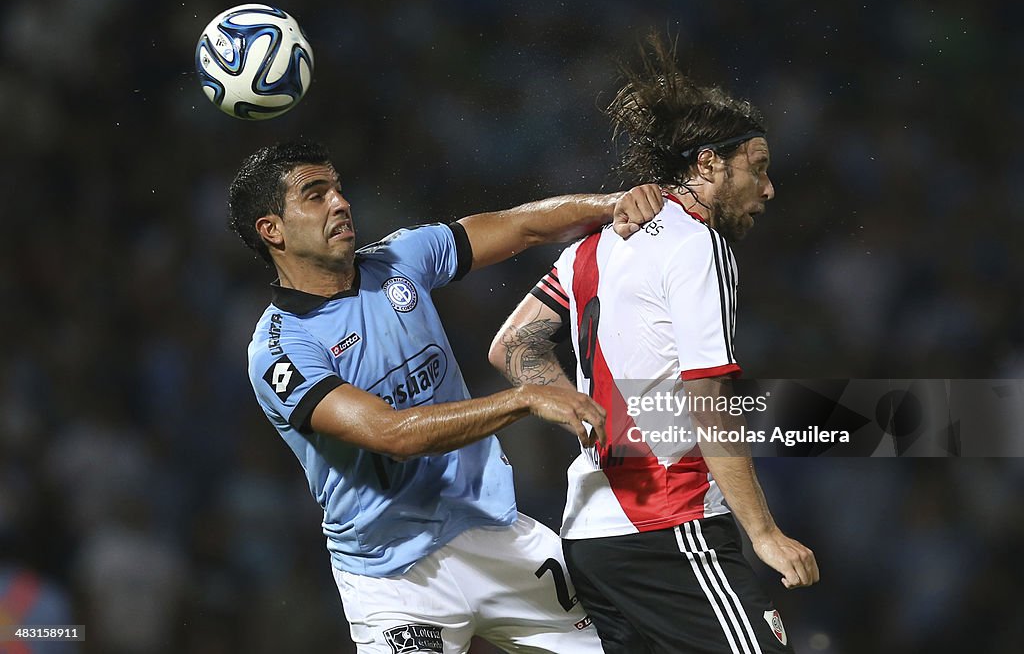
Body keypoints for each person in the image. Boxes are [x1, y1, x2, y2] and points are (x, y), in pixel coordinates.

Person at [227, 139, 663, 654]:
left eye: (338, 190)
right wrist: (522, 399)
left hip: (494, 532)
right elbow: (390, 435)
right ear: (271, 230)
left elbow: (520, 225)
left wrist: (613, 203)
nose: (340, 203)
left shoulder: (400, 259)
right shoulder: (281, 350)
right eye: (315, 195)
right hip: (394, 579)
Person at [489, 35, 819, 654]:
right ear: (709, 164)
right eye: (759, 166)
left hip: (590, 538)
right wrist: (765, 533)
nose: (768, 189)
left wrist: (592, 422)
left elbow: (512, 346)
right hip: (672, 526)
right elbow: (707, 400)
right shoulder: (697, 244)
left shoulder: (594, 244)